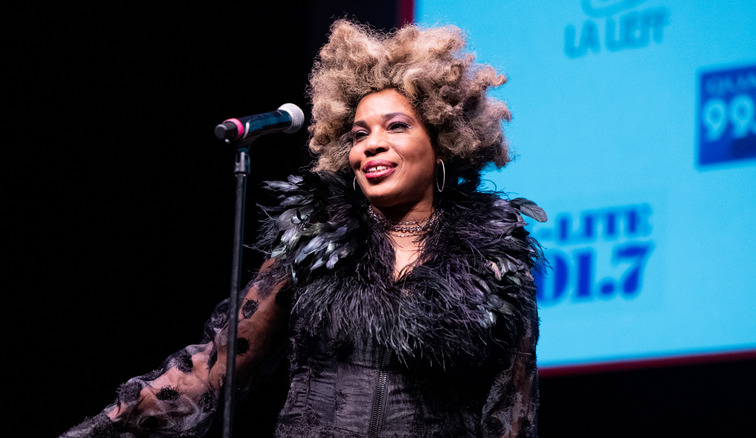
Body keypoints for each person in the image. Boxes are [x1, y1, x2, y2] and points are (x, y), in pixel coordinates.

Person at [61, 18, 547, 438]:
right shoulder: (313, 241)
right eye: (359, 134)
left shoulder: (494, 266)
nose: (370, 146)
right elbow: (212, 371)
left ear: (443, 144)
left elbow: (510, 417)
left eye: (395, 127)